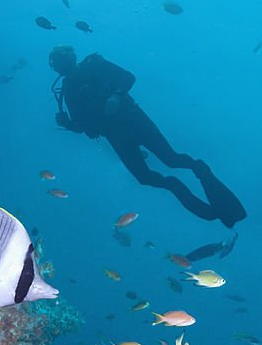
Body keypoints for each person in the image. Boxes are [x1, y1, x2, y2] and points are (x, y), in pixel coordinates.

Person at [49, 46, 246, 236]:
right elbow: (84, 127)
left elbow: (128, 77)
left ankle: (199, 169)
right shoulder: (68, 90)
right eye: (56, 62)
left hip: (134, 119)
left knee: (171, 159)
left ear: (72, 57)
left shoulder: (94, 64)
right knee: (144, 177)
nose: (60, 64)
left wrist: (116, 96)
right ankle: (181, 190)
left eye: (61, 58)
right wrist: (67, 124)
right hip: (114, 134)